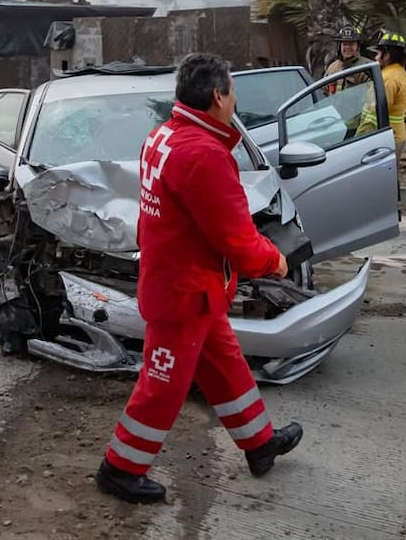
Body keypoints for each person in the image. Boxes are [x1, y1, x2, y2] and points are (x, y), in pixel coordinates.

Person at [95, 53, 303, 505]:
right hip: (183, 293)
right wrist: (276, 261)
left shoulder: (164, 135)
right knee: (162, 383)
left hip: (188, 285)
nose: (235, 102)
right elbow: (238, 239)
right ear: (217, 97)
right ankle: (120, 468)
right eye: (233, 93)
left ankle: (259, 443)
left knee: (226, 365)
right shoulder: (204, 154)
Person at [371, 30, 406, 155]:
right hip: (396, 133)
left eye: (378, 53)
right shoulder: (401, 73)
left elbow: (382, 109)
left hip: (387, 137)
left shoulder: (388, 78)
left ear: (387, 55)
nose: (375, 57)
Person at [324, 24, 369, 94]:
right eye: (344, 44)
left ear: (358, 46)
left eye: (351, 44)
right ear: (339, 46)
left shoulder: (366, 67)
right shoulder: (332, 68)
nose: (347, 47)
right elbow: (323, 93)